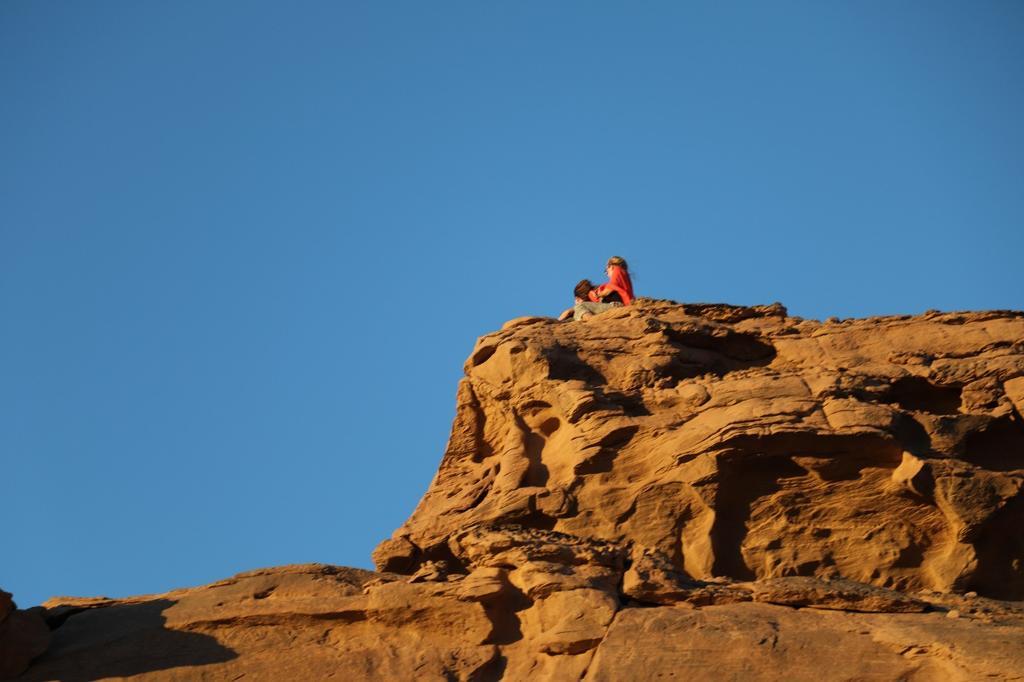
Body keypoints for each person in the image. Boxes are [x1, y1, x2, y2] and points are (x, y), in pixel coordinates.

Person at [558, 258, 635, 321]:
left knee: (579, 307)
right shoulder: (598, 291)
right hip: (616, 306)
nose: (606, 273)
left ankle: (592, 321)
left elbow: (611, 288)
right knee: (576, 315)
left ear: (611, 266)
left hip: (616, 306)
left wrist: (599, 295)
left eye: (606, 270)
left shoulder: (618, 270)